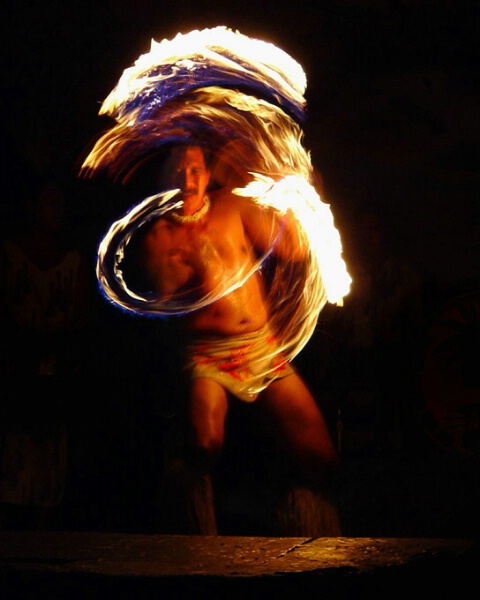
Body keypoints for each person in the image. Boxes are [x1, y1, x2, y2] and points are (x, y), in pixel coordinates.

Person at [127, 144, 340, 535]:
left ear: (207, 176)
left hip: (260, 347)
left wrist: (304, 208)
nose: (187, 180)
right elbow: (168, 312)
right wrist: (188, 261)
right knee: (204, 444)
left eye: (195, 171)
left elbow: (290, 249)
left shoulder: (234, 206)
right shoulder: (156, 240)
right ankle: (190, 536)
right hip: (208, 355)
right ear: (164, 179)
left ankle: (305, 523)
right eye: (178, 171)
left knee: (320, 457)